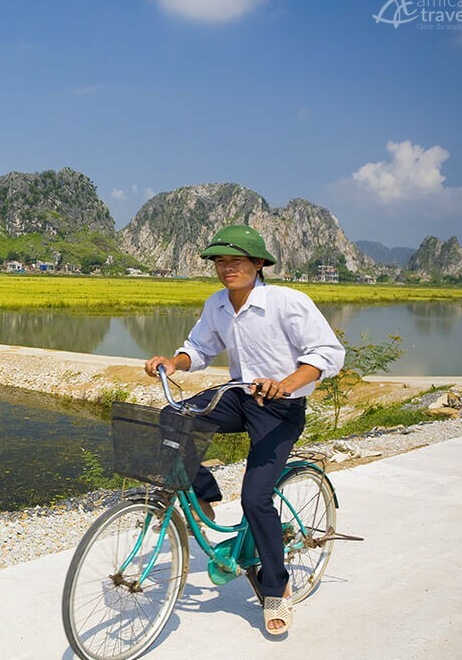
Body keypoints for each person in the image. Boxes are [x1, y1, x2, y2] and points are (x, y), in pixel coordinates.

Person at [143, 224, 344, 636]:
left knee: (256, 498)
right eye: (220, 261)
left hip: (281, 406)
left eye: (236, 261)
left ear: (258, 264)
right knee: (173, 416)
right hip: (241, 394)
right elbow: (199, 349)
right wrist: (173, 362)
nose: (226, 268)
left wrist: (286, 383)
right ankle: (204, 493)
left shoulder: (287, 302)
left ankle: (276, 587)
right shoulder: (217, 304)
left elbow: (327, 353)